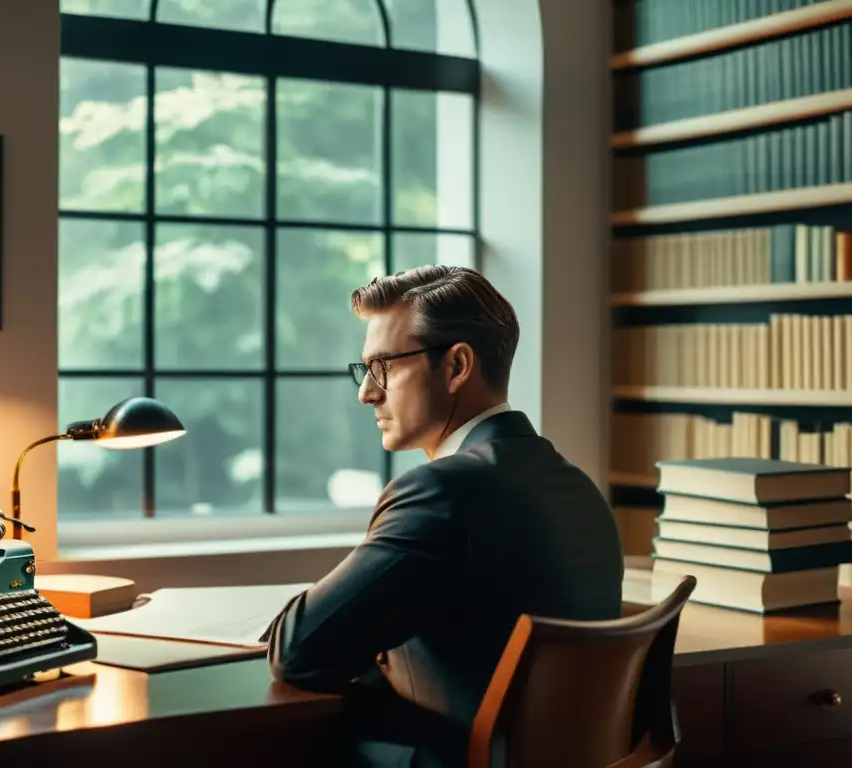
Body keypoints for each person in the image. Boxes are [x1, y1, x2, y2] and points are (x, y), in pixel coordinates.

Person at [266, 265, 624, 767]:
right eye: (364, 369)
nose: (367, 392)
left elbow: (296, 651)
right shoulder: (576, 486)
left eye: (384, 366)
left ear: (456, 366)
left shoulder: (442, 491)